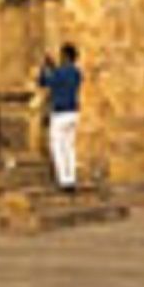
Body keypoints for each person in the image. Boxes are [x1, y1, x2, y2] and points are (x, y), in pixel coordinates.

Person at [37, 42, 88, 194]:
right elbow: (62, 80)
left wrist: (45, 67)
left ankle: (63, 180)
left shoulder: (60, 72)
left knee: (57, 146)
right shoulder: (77, 73)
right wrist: (54, 68)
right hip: (73, 112)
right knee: (69, 146)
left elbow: (44, 82)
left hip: (60, 112)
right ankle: (71, 178)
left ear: (65, 56)